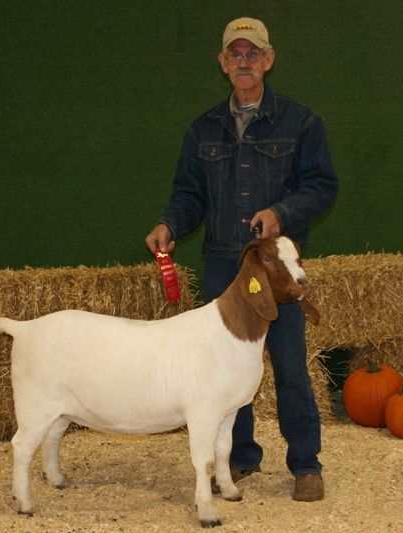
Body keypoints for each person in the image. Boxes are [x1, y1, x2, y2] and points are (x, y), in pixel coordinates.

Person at [145, 17, 338, 501]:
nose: (244, 62)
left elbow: (321, 188)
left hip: (275, 274)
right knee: (224, 371)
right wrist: (170, 223)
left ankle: (305, 464)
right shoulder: (202, 129)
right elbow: (189, 194)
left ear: (269, 60)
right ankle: (241, 459)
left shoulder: (302, 122)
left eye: (253, 54)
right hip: (223, 268)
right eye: (235, 54)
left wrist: (281, 212)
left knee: (290, 364)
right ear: (223, 63)